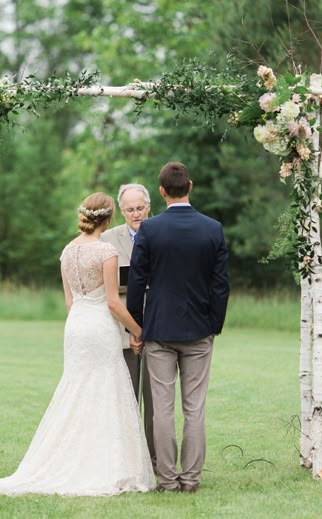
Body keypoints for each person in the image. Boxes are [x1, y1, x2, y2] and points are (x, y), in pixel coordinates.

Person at [0, 193, 155, 497]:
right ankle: (106, 464)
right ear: (109, 218)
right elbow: (112, 302)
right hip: (100, 327)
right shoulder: (106, 251)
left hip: (76, 327)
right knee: (106, 391)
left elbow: (70, 302)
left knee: (77, 390)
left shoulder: (67, 251)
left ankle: (76, 457)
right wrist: (137, 330)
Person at [127, 162, 230, 493]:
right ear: (190, 186)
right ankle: (191, 480)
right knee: (194, 409)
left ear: (161, 192)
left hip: (159, 331)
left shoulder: (150, 230)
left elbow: (136, 282)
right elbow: (221, 285)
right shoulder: (212, 228)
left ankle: (168, 479)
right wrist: (213, 324)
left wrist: (138, 326)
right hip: (200, 330)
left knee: (162, 410)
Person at [101, 183, 155, 467]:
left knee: (156, 403)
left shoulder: (161, 232)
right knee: (125, 397)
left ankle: (155, 459)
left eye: (140, 208)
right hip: (122, 330)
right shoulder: (107, 239)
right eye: (130, 209)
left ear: (149, 207)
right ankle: (125, 460)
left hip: (158, 325)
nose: (136, 214)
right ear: (121, 211)